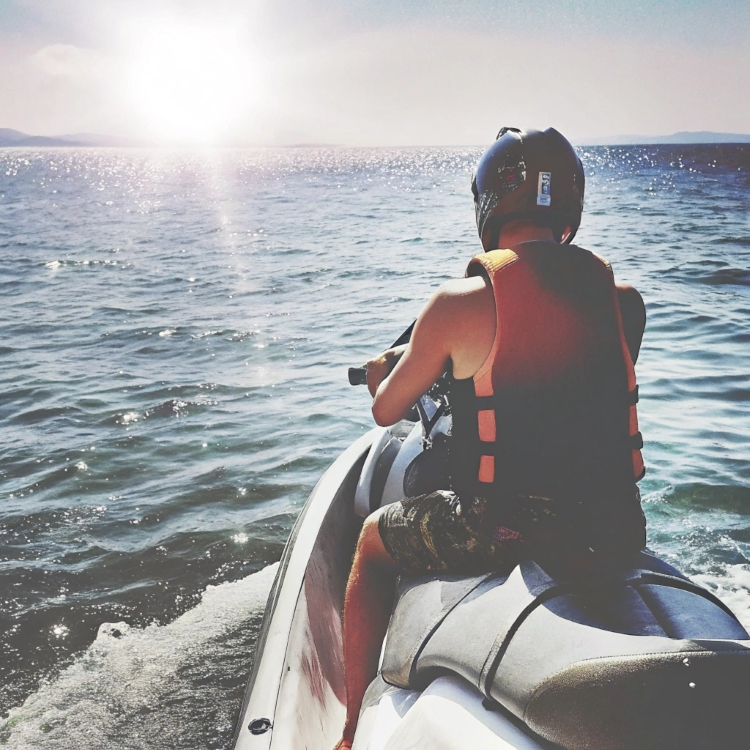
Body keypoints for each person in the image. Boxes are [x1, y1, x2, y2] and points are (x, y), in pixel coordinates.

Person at [333, 127, 647, 750]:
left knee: (371, 543)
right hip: (615, 529)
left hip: (506, 530)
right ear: (570, 208)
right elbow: (563, 388)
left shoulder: (457, 304)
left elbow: (385, 409)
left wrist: (393, 370)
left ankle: (345, 732)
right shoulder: (625, 302)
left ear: (489, 201)